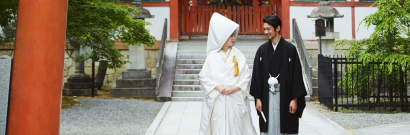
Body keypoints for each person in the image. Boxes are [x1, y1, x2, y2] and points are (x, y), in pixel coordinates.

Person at [199, 12, 256, 135]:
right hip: (218, 97)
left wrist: (236, 87)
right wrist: (218, 87)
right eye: (229, 35)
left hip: (235, 97)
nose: (233, 38)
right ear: (222, 37)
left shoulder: (238, 55)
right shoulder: (211, 57)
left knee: (237, 127)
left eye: (233, 35)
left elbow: (246, 76)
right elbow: (203, 76)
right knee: (217, 127)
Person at [250, 15, 307, 135]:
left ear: (278, 28)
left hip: (286, 95)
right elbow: (256, 76)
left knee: (287, 125)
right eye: (264, 29)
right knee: (268, 125)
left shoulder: (290, 49)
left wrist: (294, 99)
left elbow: (296, 75)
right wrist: (258, 98)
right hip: (266, 96)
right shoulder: (262, 50)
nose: (266, 32)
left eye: (268, 29)